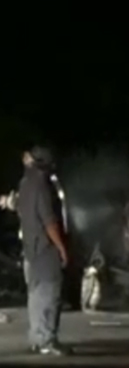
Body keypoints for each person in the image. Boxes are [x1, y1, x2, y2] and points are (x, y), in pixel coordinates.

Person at [16, 146, 70, 355]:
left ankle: (37, 338)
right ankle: (48, 340)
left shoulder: (24, 184)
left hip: (29, 249)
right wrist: (62, 247)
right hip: (46, 250)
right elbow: (49, 221)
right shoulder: (42, 185)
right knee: (50, 294)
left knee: (35, 295)